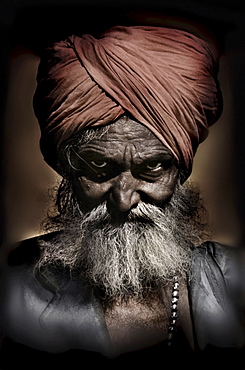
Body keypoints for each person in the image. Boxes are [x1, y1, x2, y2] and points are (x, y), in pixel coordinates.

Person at [0, 24, 245, 368]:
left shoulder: (234, 281)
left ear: (180, 172)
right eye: (99, 165)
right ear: (68, 170)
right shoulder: (11, 286)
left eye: (153, 168)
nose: (124, 199)